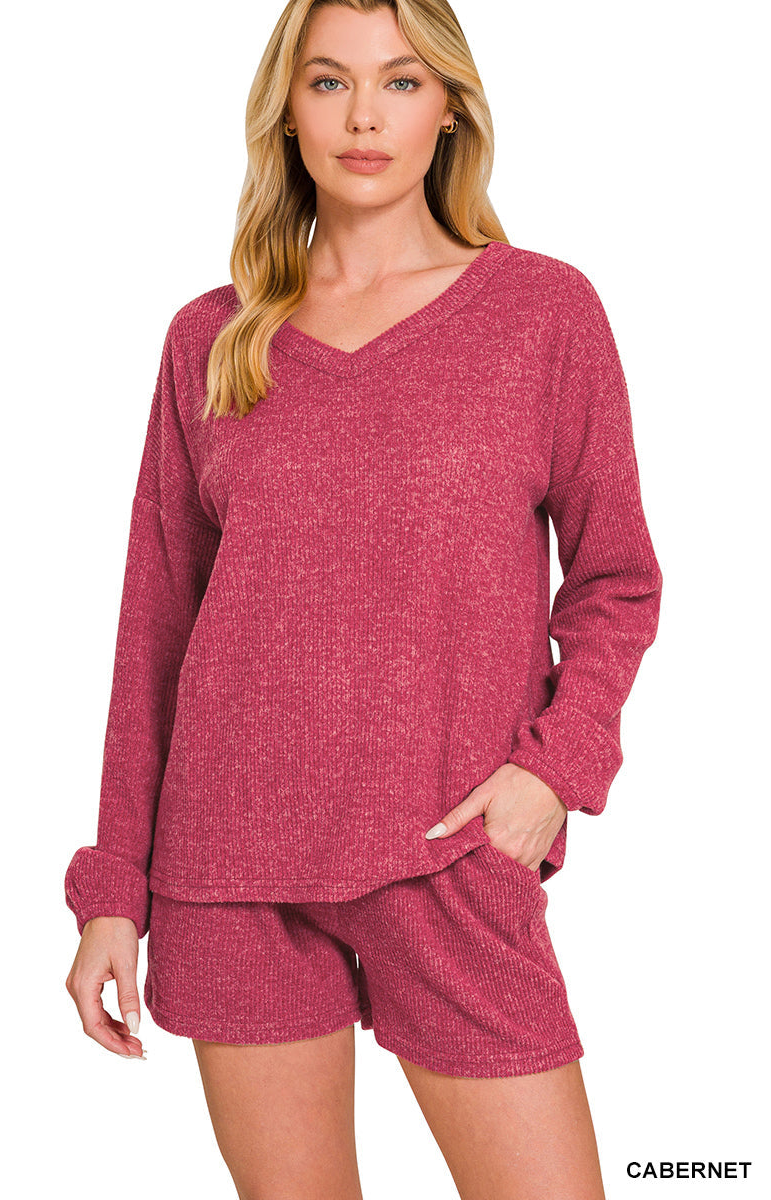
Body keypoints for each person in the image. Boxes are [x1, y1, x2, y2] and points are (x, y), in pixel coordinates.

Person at [64, 1, 663, 1196]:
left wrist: (553, 772)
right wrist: (112, 891)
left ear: (448, 109)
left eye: (398, 81)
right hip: (229, 864)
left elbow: (614, 579)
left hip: (448, 850)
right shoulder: (212, 338)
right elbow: (157, 632)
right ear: (287, 112)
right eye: (329, 82)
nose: (363, 118)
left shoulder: (541, 313)